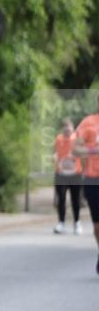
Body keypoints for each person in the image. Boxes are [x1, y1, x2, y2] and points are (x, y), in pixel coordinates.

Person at [75, 94, 99, 275]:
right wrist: (93, 150)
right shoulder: (88, 122)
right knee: (97, 225)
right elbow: (75, 148)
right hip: (93, 179)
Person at [53, 118, 83, 235]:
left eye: (69, 128)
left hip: (75, 173)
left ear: (73, 128)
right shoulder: (58, 139)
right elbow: (55, 152)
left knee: (76, 199)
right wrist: (55, 157)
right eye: (65, 129)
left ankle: (77, 223)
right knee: (61, 198)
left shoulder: (77, 139)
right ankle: (61, 223)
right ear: (62, 130)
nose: (67, 131)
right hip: (61, 173)